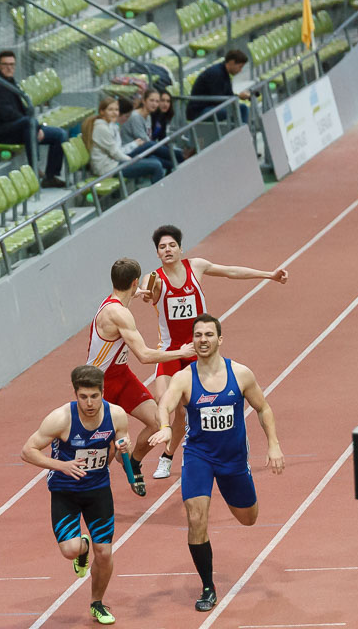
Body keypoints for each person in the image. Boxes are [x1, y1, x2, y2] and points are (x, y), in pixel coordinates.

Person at [148, 313, 284, 612]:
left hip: (233, 459)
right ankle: (208, 586)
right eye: (198, 335)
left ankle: (238, 490)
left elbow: (263, 408)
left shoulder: (241, 374)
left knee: (248, 518)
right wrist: (165, 427)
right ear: (192, 340)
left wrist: (273, 444)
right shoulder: (184, 378)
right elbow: (166, 403)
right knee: (196, 517)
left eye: (209, 335)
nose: (203, 340)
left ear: (219, 339)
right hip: (199, 456)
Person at [144, 225, 288, 480]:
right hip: (170, 353)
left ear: (179, 248)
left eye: (171, 245)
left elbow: (231, 271)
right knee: (165, 404)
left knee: (205, 404)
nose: (167, 250)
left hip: (198, 351)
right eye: (162, 247)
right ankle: (170, 450)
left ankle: (172, 455)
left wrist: (269, 275)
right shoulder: (154, 278)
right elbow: (143, 290)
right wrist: (143, 294)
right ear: (157, 253)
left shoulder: (196, 267)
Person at [21, 365, 130, 626]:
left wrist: (123, 449)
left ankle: (97, 603)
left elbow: (121, 454)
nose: (90, 403)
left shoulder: (116, 416)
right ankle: (82, 549)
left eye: (95, 396)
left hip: (98, 490)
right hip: (65, 491)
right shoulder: (61, 418)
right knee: (69, 551)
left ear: (103, 392)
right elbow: (28, 451)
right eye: (84, 397)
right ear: (75, 394)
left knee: (104, 552)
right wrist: (62, 466)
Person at [86, 257, 194, 496]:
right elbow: (145, 356)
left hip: (121, 376)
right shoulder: (118, 313)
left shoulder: (117, 299)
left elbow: (128, 294)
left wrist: (142, 292)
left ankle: (133, 462)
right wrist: (182, 352)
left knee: (157, 421)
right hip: (99, 384)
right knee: (105, 450)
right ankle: (87, 492)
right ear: (134, 282)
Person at [0, 50, 67, 188]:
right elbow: (7, 115)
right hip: (0, 132)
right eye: (5, 64)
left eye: (12, 65)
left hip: (20, 128)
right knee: (28, 123)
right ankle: (34, 169)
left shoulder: (10, 82)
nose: (9, 68)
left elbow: (23, 109)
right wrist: (35, 127)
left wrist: (35, 126)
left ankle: (50, 176)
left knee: (60, 134)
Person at [81, 98, 164, 186]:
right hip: (108, 169)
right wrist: (131, 160)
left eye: (116, 110)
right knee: (156, 165)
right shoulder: (101, 128)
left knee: (154, 158)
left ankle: (177, 159)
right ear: (102, 112)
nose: (115, 113)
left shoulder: (108, 125)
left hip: (114, 163)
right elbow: (115, 153)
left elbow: (116, 151)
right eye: (110, 110)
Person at [120, 89, 185, 172]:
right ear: (143, 101)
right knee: (152, 149)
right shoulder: (135, 117)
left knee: (171, 163)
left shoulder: (148, 117)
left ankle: (181, 157)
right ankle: (181, 155)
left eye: (157, 101)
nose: (154, 104)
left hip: (141, 151)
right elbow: (145, 141)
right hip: (128, 153)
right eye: (151, 100)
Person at [186, 49, 250, 123]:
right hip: (200, 111)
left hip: (211, 107)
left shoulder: (225, 73)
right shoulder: (216, 73)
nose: (240, 70)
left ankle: (240, 131)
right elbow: (218, 99)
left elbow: (228, 95)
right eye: (240, 67)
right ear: (232, 62)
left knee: (242, 108)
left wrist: (239, 96)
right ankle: (239, 132)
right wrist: (238, 96)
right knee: (237, 110)